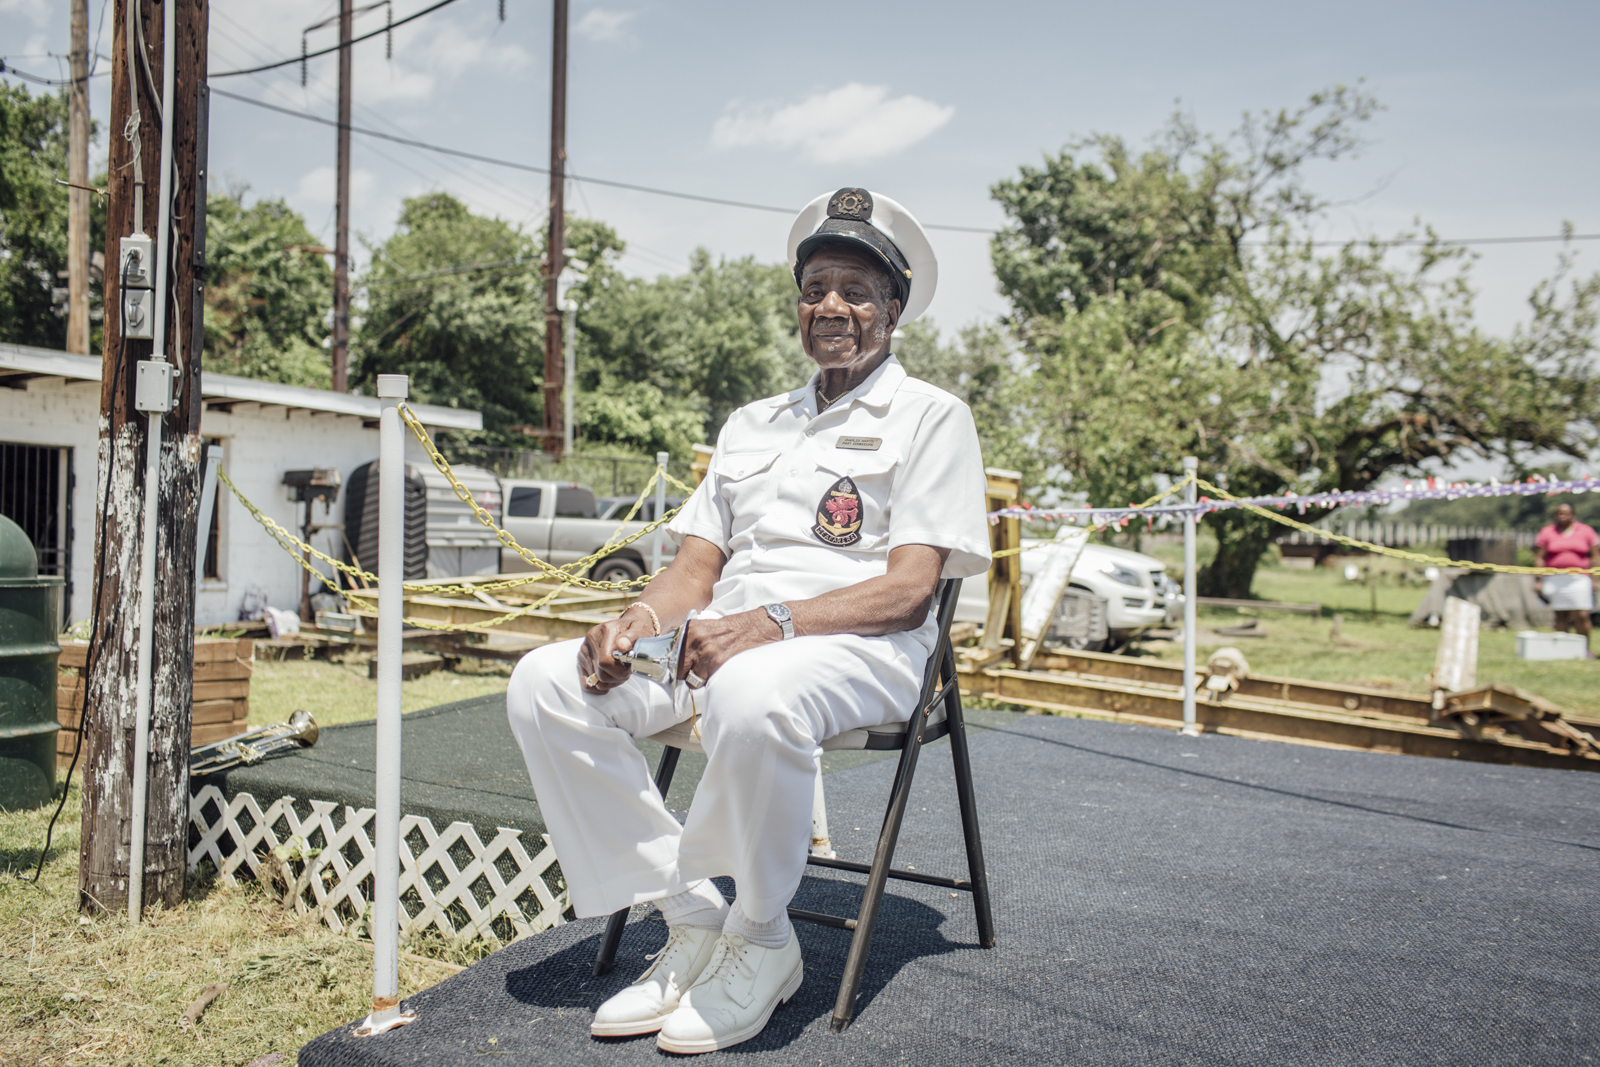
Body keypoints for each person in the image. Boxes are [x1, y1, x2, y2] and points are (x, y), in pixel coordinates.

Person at [506, 188, 991, 1054]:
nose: (831, 306)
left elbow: (910, 589)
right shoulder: (751, 423)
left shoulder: (932, 417)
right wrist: (632, 622)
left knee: (753, 690)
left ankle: (765, 938)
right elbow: (695, 569)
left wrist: (769, 623)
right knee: (547, 680)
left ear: (894, 307)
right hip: (723, 643)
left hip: (863, 648)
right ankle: (691, 916)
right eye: (814, 288)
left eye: (855, 289)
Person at [1534, 503, 1599, 655]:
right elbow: (1540, 557)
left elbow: (1594, 557)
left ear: (1573, 514)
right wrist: (1538, 579)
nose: (1562, 516)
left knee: (1581, 615)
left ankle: (1584, 650)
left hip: (1579, 578)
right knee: (1560, 615)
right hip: (1555, 578)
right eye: (1559, 513)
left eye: (1566, 513)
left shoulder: (1586, 531)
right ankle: (1562, 651)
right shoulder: (1547, 532)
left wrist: (1594, 579)